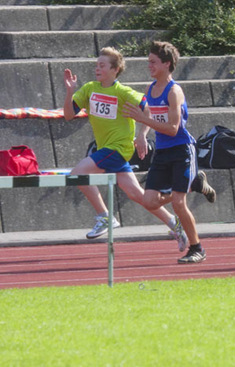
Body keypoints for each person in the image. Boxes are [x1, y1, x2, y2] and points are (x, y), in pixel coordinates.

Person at [63, 46, 190, 253]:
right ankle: (175, 224)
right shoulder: (88, 89)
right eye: (96, 65)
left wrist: (141, 135)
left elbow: (148, 108)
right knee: (138, 195)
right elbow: (68, 115)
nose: (97, 68)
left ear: (115, 70)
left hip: (119, 148)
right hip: (107, 148)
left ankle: (105, 217)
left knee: (78, 174)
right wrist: (69, 92)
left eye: (102, 65)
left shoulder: (123, 92)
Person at [122, 41, 211, 264]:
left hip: (181, 150)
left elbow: (173, 129)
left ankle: (196, 248)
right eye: (148, 62)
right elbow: (149, 114)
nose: (149, 65)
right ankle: (194, 184)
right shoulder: (151, 89)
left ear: (166, 64)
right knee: (150, 201)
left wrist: (144, 119)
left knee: (179, 204)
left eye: (153, 62)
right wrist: (142, 133)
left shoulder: (174, 91)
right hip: (162, 152)